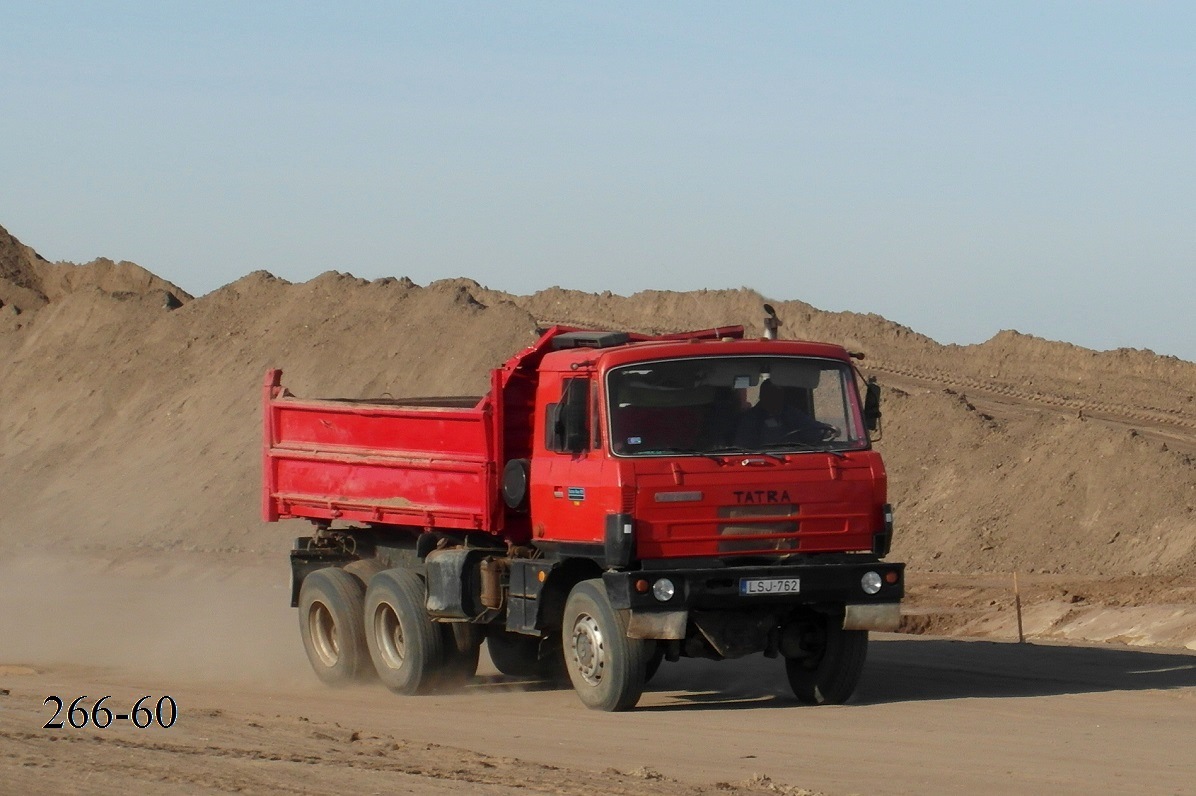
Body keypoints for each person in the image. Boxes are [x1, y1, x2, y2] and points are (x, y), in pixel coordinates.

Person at [733, 378, 836, 448]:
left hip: (796, 456)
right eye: (770, 395)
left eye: (778, 394)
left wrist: (826, 430)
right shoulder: (751, 419)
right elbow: (742, 447)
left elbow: (810, 427)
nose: (775, 399)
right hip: (762, 461)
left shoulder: (791, 413)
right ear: (762, 397)